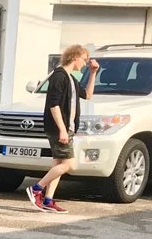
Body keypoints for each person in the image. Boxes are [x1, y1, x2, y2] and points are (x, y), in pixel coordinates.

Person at [25, 44, 100, 213]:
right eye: (84, 59)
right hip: (59, 128)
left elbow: (87, 95)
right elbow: (54, 105)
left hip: (67, 128)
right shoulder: (59, 76)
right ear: (75, 57)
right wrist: (62, 130)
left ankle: (48, 200)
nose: (85, 63)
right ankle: (37, 189)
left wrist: (93, 73)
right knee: (70, 164)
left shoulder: (71, 79)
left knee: (58, 164)